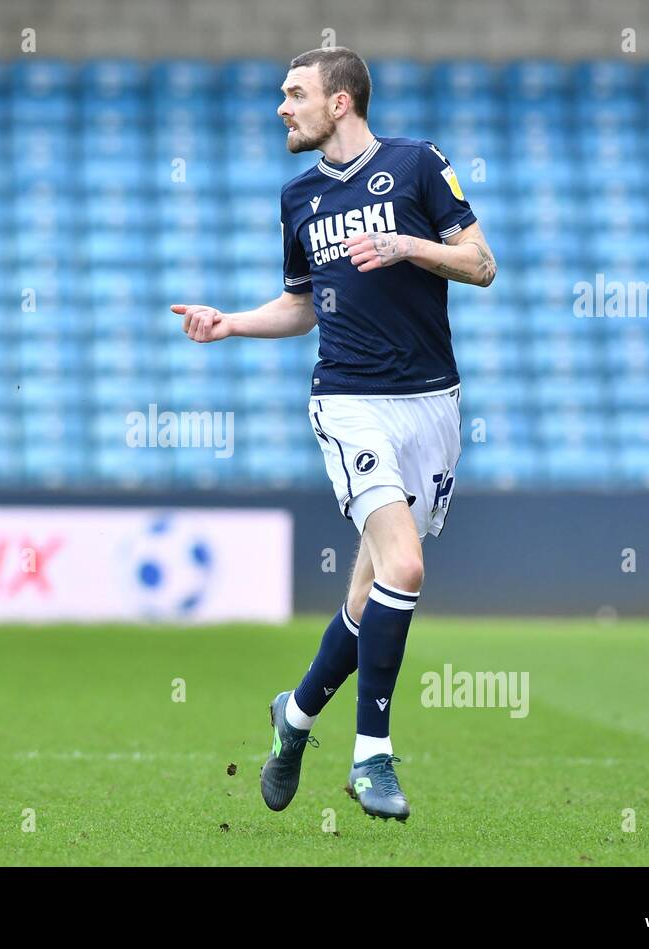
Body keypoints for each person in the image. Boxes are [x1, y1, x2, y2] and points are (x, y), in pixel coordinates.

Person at [171, 47, 497, 820]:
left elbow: (481, 264)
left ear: (341, 101)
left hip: (432, 404)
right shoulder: (299, 199)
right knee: (407, 569)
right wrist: (232, 324)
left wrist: (408, 245)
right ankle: (372, 758)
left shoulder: (419, 166)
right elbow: (304, 304)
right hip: (348, 401)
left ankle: (294, 716)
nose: (282, 107)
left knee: (370, 596)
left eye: (294, 93)